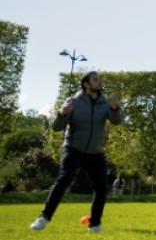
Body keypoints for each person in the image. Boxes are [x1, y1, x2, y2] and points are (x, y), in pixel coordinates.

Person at [30, 71, 123, 233]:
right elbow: (56, 127)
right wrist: (62, 113)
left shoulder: (105, 103)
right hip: (73, 148)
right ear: (86, 84)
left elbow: (117, 121)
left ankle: (95, 224)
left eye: (99, 79)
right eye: (95, 80)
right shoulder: (73, 101)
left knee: (101, 186)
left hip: (95, 152)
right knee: (65, 178)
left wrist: (115, 109)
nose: (99, 82)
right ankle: (43, 218)